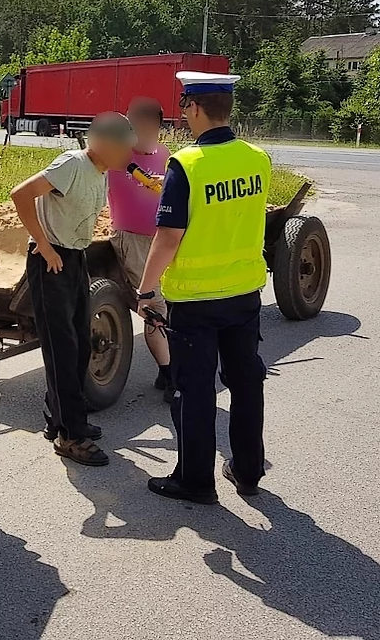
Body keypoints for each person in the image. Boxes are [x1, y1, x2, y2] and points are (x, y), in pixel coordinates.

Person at [136, 71, 271, 504]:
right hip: (245, 294)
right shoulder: (257, 158)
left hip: (195, 299)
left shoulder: (187, 165)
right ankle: (248, 471)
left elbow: (168, 237)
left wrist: (145, 289)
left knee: (194, 389)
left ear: (193, 108)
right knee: (246, 382)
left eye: (183, 105)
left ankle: (196, 481)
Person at [11, 112, 135, 467]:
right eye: (125, 147)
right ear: (105, 143)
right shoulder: (72, 164)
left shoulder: (102, 172)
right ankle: (71, 437)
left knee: (80, 343)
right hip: (51, 262)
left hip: (75, 258)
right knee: (62, 350)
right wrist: (44, 246)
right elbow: (20, 194)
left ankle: (62, 418)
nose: (129, 154)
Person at [108, 96, 172, 399]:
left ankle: (170, 364)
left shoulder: (166, 155)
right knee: (153, 305)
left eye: (147, 125)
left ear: (158, 125)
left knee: (168, 301)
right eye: (135, 126)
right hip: (130, 239)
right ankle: (169, 374)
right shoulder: (118, 157)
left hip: (163, 237)